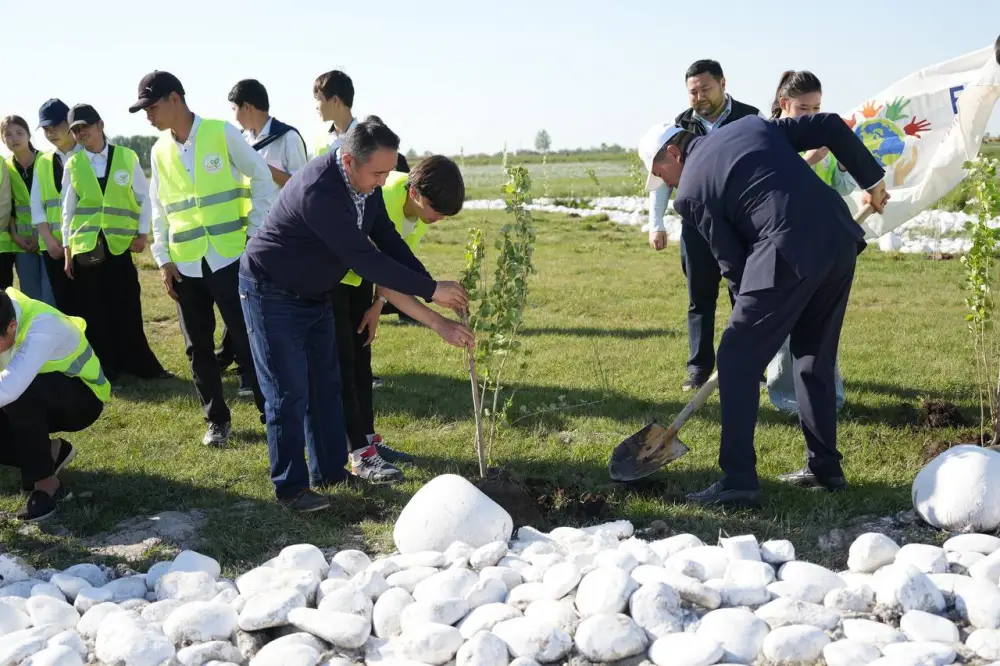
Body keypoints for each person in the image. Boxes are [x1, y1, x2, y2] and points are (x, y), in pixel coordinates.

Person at [638, 111, 889, 508]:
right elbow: (828, 126)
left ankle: (738, 480)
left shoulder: (690, 194)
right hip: (838, 239)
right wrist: (872, 181)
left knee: (735, 358)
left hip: (784, 249)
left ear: (673, 152)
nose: (667, 185)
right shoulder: (750, 126)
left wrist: (753, 328)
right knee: (813, 356)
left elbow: (734, 266)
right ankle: (825, 468)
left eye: (661, 174)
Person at [239, 117, 473, 511]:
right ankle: (291, 488)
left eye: (388, 172)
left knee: (326, 387)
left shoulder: (367, 187)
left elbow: (389, 241)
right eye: (378, 173)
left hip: (316, 292)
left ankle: (330, 472)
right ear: (349, 162)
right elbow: (366, 260)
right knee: (288, 392)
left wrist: (431, 286)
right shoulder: (320, 192)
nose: (384, 182)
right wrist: (431, 291)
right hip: (271, 291)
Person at [129, 70, 275, 447]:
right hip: (185, 265)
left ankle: (271, 413)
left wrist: (254, 233)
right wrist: (163, 259)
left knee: (248, 338)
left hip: (229, 258)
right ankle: (216, 420)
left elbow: (261, 176)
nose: (148, 116)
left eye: (152, 106)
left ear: (175, 99)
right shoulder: (158, 151)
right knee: (198, 348)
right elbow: (160, 209)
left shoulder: (221, 133)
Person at [333, 154, 466, 483]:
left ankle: (368, 440)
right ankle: (358, 454)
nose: (438, 219)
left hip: (359, 280)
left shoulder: (416, 210)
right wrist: (437, 318)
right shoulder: (385, 197)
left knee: (362, 359)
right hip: (332, 279)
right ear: (415, 193)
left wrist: (377, 304)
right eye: (436, 211)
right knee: (344, 365)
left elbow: (395, 264)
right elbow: (380, 265)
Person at [648, 60, 763, 392]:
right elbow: (661, 177)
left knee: (744, 293)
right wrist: (656, 223)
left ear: (723, 84)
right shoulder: (678, 127)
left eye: (705, 89)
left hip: (741, 224)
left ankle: (750, 364)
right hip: (696, 224)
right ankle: (699, 368)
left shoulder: (750, 118)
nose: (699, 97)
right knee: (699, 297)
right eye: (692, 92)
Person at [61, 104, 170, 384]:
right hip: (86, 249)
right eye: (75, 130)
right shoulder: (73, 164)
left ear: (100, 125)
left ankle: (140, 364)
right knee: (93, 310)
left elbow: (144, 198)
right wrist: (67, 249)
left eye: (85, 126)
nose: (80, 133)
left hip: (120, 246)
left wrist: (142, 233)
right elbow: (67, 211)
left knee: (127, 305)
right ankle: (106, 368)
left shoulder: (127, 156)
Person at [215, 79, 309, 395]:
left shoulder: (288, 138)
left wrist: (262, 169)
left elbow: (303, 184)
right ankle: (239, 360)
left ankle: (265, 364)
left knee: (270, 301)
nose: (234, 116)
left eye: (234, 109)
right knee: (244, 298)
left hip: (280, 233)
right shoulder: (241, 140)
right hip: (245, 230)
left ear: (248, 107)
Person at [765, 71, 851, 416]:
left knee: (822, 323)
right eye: (804, 109)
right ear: (785, 104)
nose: (812, 115)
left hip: (822, 243)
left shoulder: (823, 136)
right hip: (781, 243)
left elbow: (842, 189)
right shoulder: (767, 137)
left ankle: (828, 396)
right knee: (784, 326)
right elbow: (772, 184)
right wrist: (810, 159)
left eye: (817, 108)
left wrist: (843, 163)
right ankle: (786, 397)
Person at [0, 287, 108, 521]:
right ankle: (51, 451)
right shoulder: (6, 319)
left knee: (22, 393)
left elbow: (11, 386)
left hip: (81, 400)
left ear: (12, 326)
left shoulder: (43, 324)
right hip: (30, 395)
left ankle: (47, 484)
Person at [31, 99, 82, 316]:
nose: (51, 133)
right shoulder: (43, 161)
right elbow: (36, 205)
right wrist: (50, 241)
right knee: (65, 307)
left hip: (85, 244)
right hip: (54, 248)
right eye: (46, 129)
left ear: (69, 123)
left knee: (92, 305)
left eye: (55, 127)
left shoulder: (87, 154)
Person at [2, 116, 55, 305]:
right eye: (8, 134)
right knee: (31, 299)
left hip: (49, 239)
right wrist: (15, 236)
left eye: (19, 133)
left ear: (28, 135)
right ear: (2, 139)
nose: (14, 138)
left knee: (51, 296)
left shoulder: (48, 161)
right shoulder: (6, 167)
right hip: (22, 243)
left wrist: (40, 235)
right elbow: (8, 206)